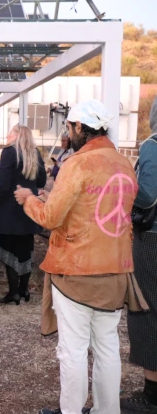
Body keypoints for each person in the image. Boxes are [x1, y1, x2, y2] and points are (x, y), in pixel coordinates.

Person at [14, 100, 146, 414]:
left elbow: (49, 218)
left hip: (76, 271)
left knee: (72, 351)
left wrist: (30, 199)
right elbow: (102, 207)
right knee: (107, 348)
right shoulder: (124, 163)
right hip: (116, 272)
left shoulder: (77, 164)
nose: (68, 132)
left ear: (79, 128)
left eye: (70, 126)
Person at [122, 95, 157, 414]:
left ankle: (151, 393)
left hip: (151, 240)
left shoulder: (152, 146)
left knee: (146, 309)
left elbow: (146, 196)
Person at [0, 125, 46, 305]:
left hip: (9, 209)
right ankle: (24, 290)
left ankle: (13, 292)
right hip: (29, 208)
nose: (7, 135)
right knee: (25, 251)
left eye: (9, 132)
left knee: (9, 251)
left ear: (16, 135)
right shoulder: (34, 153)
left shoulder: (9, 152)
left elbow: (3, 183)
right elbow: (41, 181)